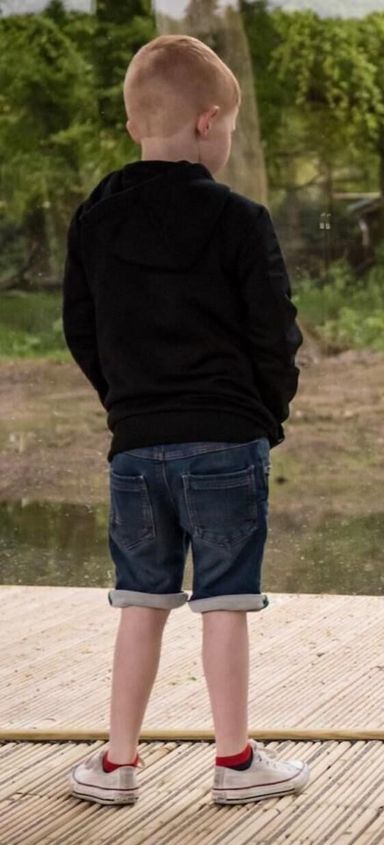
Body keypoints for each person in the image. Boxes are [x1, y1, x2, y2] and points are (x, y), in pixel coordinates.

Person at [61, 34, 308, 806]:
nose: (229, 139)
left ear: (136, 123)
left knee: (140, 599)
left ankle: (118, 763)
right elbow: (276, 331)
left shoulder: (95, 222)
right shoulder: (239, 219)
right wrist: (266, 414)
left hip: (136, 447)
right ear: (208, 122)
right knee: (226, 601)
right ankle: (234, 764)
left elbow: (81, 328)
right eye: (229, 126)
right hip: (227, 440)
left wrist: (127, 405)